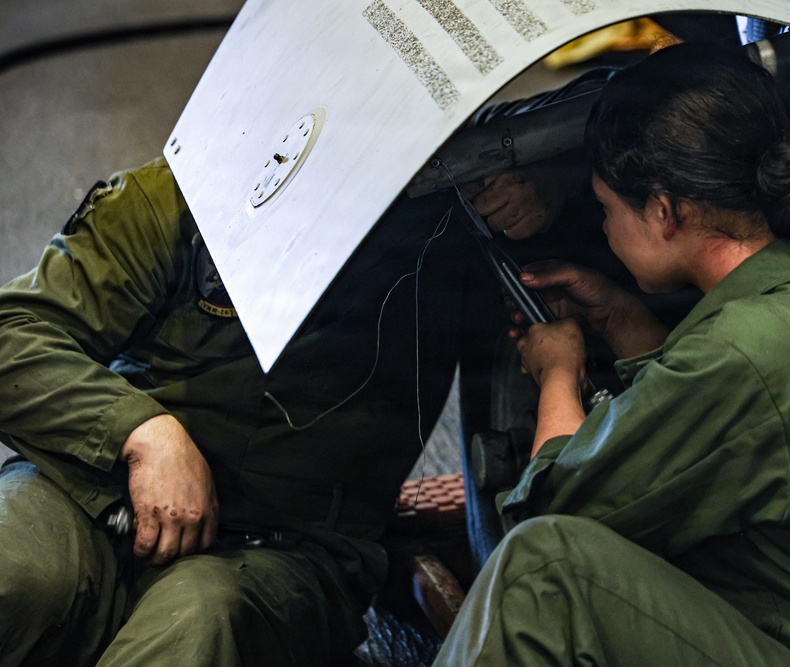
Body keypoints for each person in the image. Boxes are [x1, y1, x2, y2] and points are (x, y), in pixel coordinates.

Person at [434, 43, 790, 665]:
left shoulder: (744, 353)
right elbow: (740, 425)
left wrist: (557, 373)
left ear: (664, 211)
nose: (602, 229)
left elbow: (558, 504)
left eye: (606, 209)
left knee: (538, 578)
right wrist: (626, 322)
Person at [0, 152, 495, 664]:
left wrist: (542, 201)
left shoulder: (465, 194)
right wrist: (142, 432)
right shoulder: (180, 192)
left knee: (198, 627)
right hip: (92, 487)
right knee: (15, 575)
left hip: (283, 546)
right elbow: (11, 332)